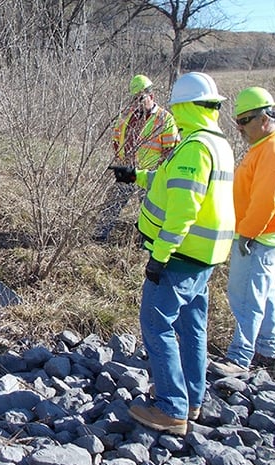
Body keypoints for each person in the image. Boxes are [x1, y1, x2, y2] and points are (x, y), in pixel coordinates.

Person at [112, 72, 235, 435]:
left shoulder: (194, 147)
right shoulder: (215, 143)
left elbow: (184, 208)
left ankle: (170, 407)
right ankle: (192, 399)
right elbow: (171, 180)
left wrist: (160, 256)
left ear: (183, 105)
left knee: (155, 323)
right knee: (192, 327)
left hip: (180, 256)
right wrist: (137, 176)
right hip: (205, 256)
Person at [209, 87, 275, 378]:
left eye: (245, 121)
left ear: (265, 117)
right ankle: (267, 348)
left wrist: (247, 234)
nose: (240, 128)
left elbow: (266, 200)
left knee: (246, 296)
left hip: (258, 237)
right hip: (265, 235)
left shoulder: (274, 151)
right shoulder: (265, 146)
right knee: (265, 292)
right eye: (237, 121)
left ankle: (239, 357)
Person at [93, 74, 179, 242]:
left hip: (150, 174)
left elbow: (171, 150)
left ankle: (146, 242)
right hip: (128, 170)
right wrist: (121, 160)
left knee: (150, 211)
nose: (137, 103)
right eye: (134, 99)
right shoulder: (125, 116)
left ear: (151, 96)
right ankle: (99, 237)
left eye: (141, 98)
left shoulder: (165, 119)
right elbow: (117, 140)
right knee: (112, 204)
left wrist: (160, 173)